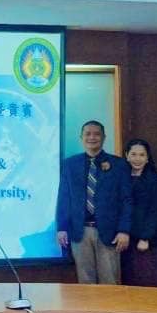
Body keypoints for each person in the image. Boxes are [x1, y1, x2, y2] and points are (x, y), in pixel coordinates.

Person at [56, 121, 132, 284]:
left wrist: (124, 230)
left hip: (109, 232)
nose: (92, 137)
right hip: (80, 231)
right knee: (85, 281)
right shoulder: (70, 165)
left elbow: (127, 200)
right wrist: (61, 227)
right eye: (88, 134)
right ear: (81, 137)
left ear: (104, 137)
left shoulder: (119, 165)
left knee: (110, 281)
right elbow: (64, 198)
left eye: (97, 134)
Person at [121, 139, 157, 287]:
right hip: (124, 239)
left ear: (147, 158)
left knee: (145, 281)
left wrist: (145, 237)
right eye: (133, 154)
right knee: (126, 282)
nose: (137, 159)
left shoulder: (155, 180)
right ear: (126, 155)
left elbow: (156, 211)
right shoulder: (120, 178)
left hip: (145, 241)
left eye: (142, 155)